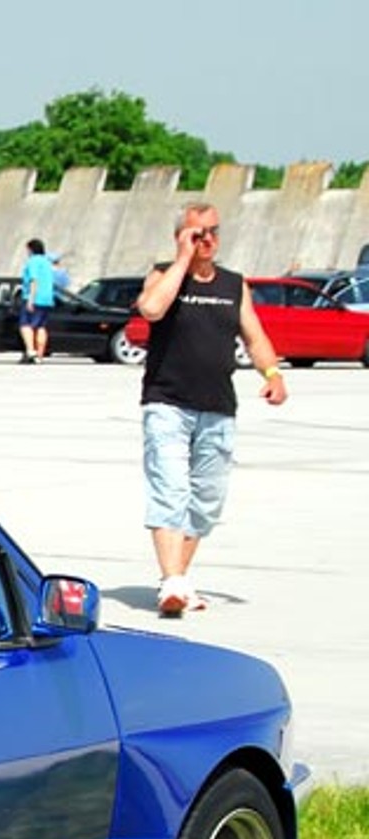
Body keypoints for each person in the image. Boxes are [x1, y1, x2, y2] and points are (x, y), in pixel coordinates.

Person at [134, 203, 286, 618]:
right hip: (167, 403)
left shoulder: (234, 285)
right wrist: (182, 261)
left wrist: (272, 373)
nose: (208, 240)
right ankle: (172, 581)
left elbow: (254, 337)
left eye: (213, 232)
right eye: (197, 233)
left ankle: (176, 581)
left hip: (217, 407)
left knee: (206, 501)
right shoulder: (163, 275)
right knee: (170, 489)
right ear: (181, 236)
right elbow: (151, 309)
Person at [18, 237, 57, 362]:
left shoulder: (32, 261)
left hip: (34, 297)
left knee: (25, 325)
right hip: (47, 298)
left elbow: (34, 280)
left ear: (31, 249)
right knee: (41, 326)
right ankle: (40, 355)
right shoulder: (47, 262)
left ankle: (31, 351)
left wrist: (31, 299)